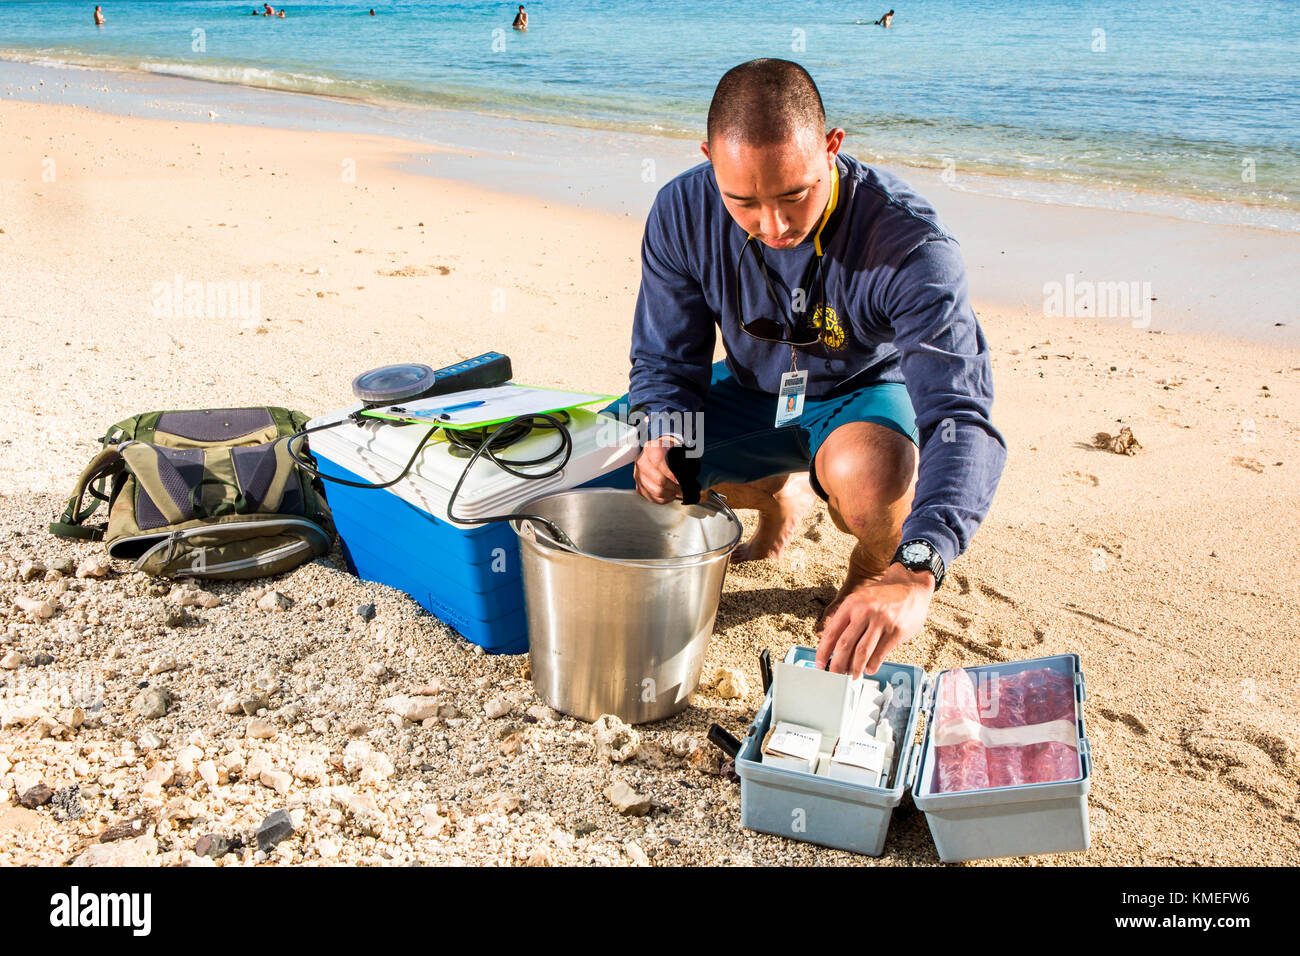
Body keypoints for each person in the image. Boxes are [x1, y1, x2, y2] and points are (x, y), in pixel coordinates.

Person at [600, 59, 1006, 675]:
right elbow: (664, 362)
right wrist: (661, 432)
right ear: (710, 159)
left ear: (833, 148)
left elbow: (960, 414)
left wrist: (917, 566)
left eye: (796, 195)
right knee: (620, 456)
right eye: (745, 204)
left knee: (872, 489)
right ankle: (777, 495)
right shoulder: (680, 211)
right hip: (749, 388)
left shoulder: (912, 248)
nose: (776, 225)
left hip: (860, 397)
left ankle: (871, 565)